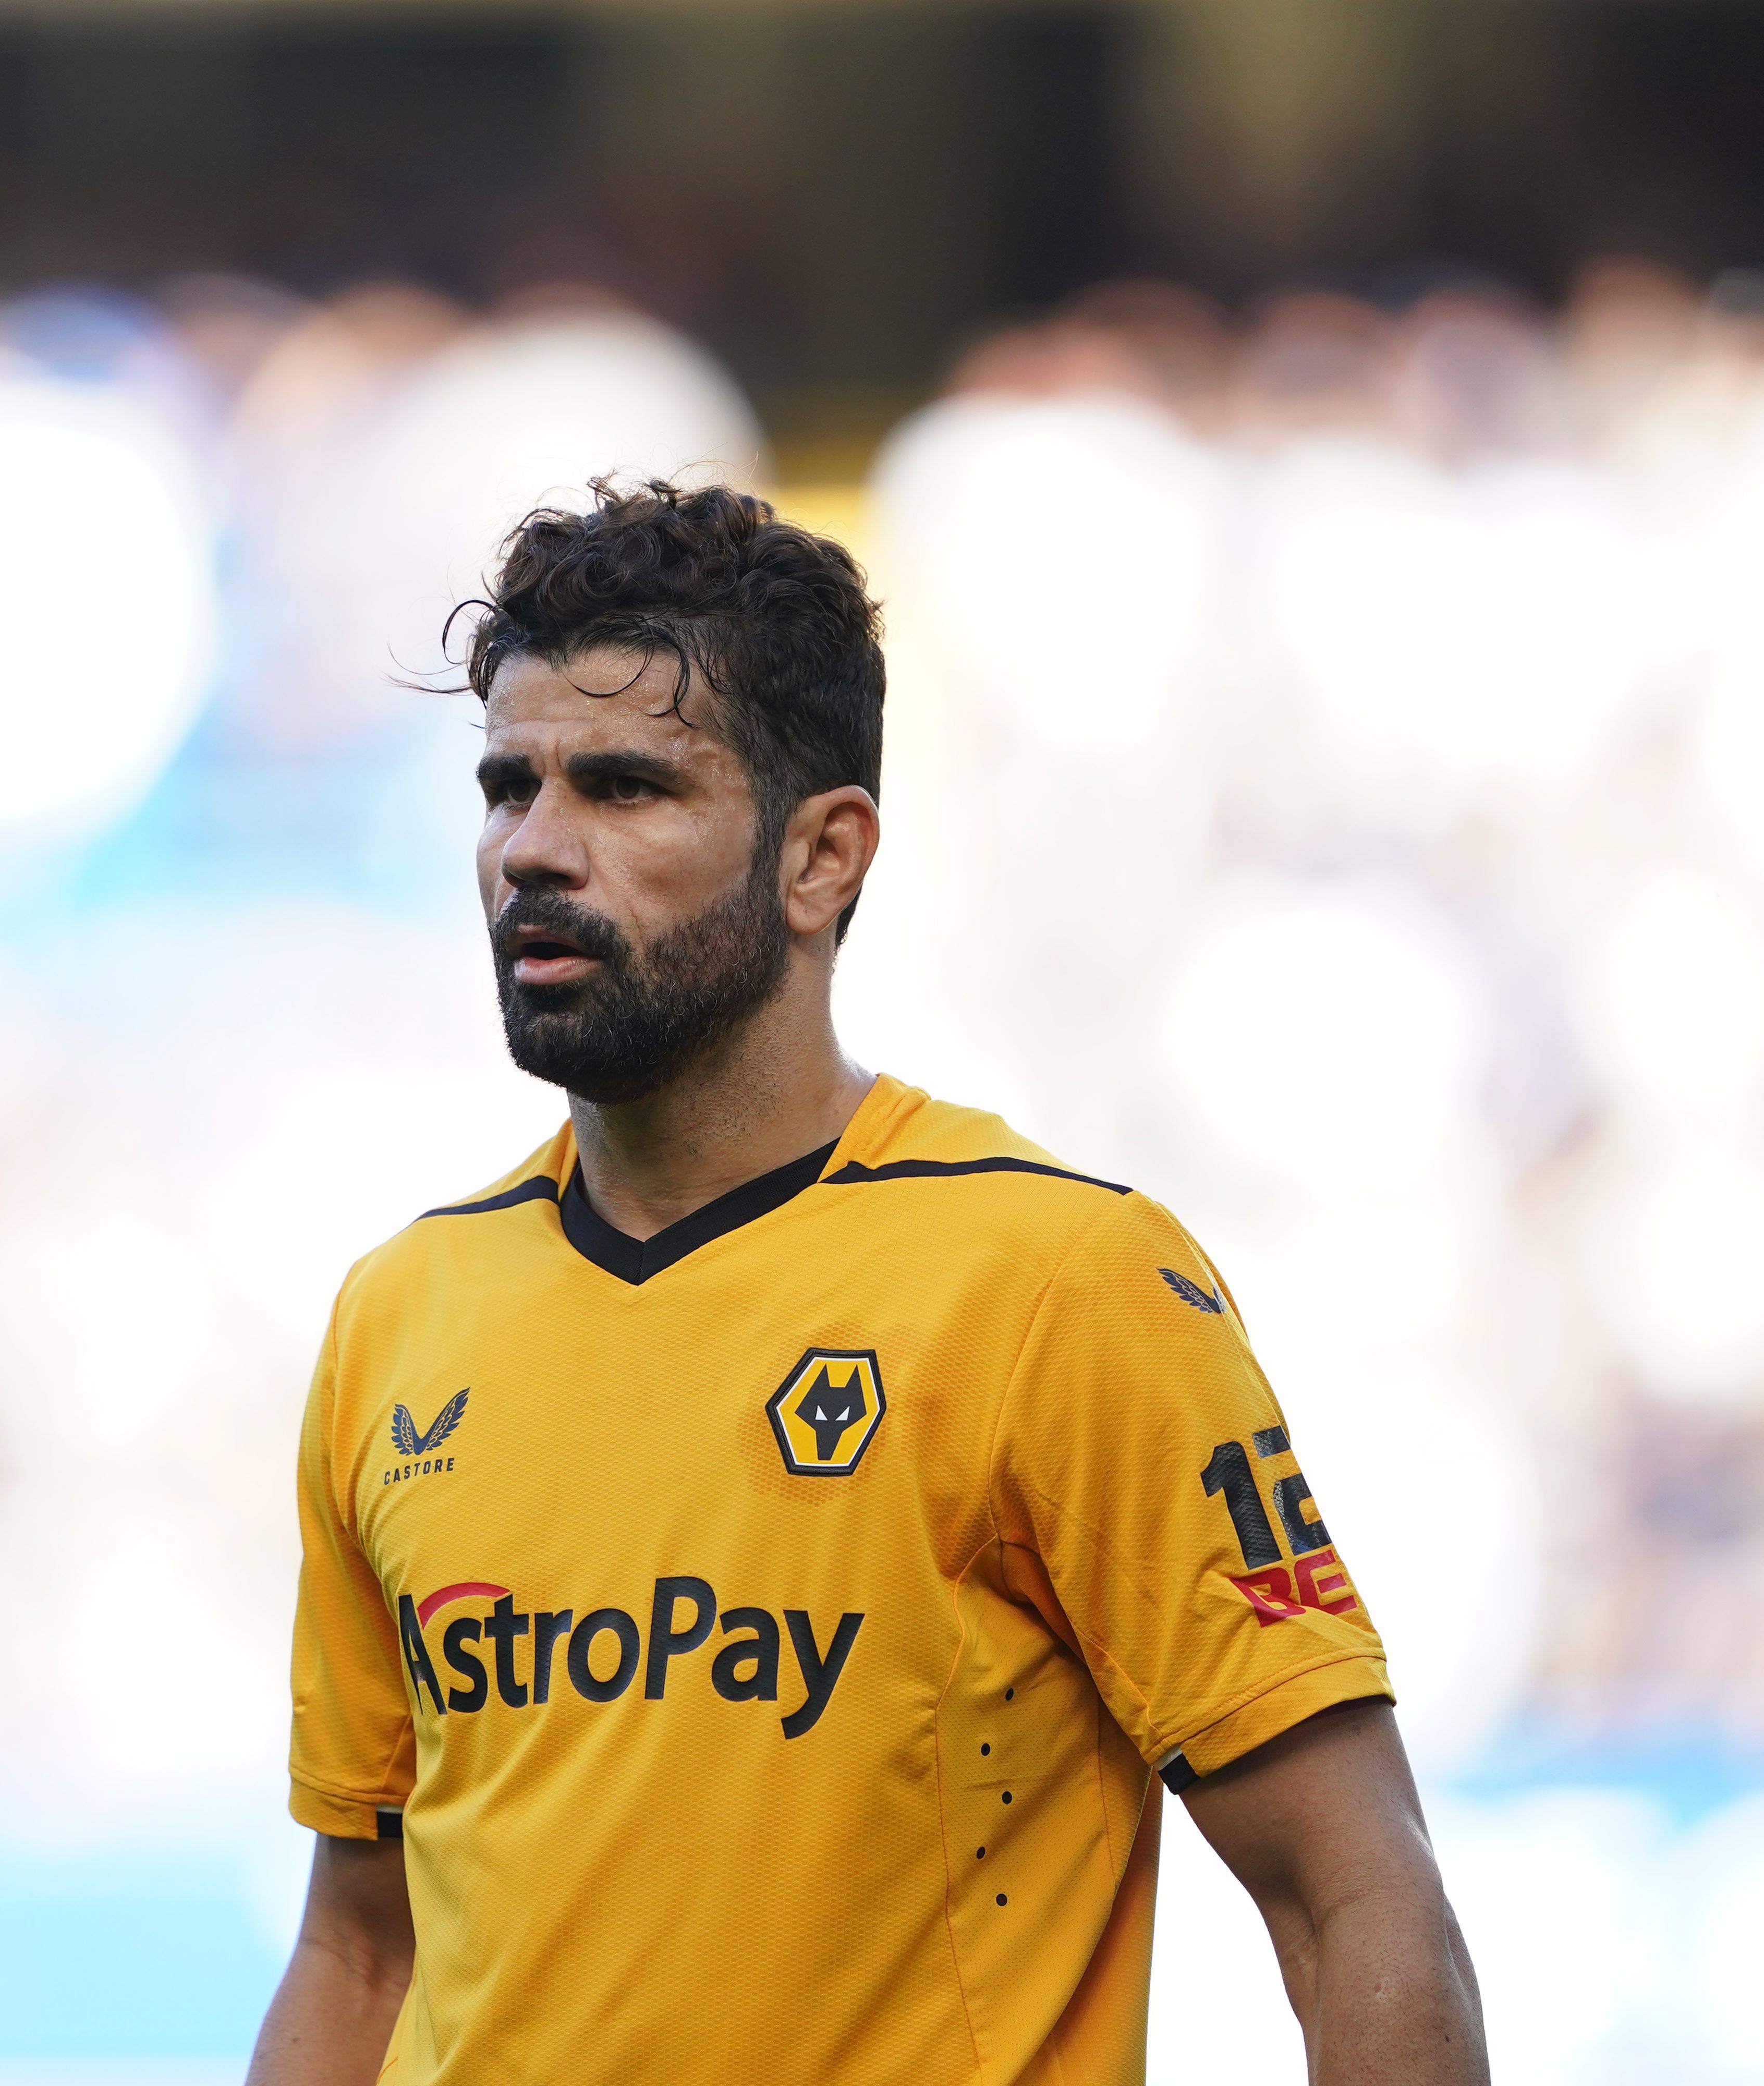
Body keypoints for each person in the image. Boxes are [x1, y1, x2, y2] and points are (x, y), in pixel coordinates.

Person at [249, 480, 1486, 2086]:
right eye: (509, 787)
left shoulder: (1056, 1284)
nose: (534, 851)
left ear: (823, 856)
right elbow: (361, 1942)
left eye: (624, 789)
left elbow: (1351, 1889)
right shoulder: (399, 1317)